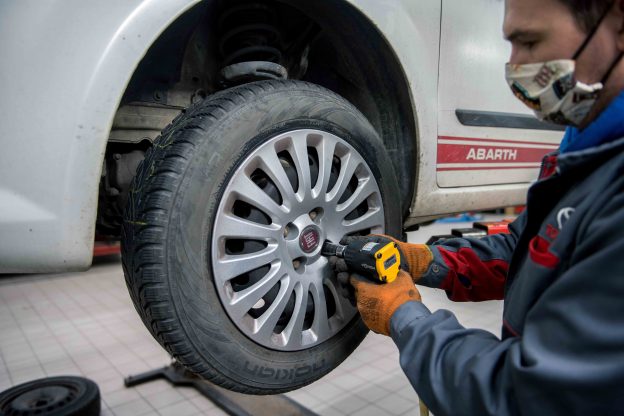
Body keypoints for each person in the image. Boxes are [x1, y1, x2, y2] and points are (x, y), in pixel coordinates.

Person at [334, 0, 624, 414]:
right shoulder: (585, 148)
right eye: (510, 44)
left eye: (530, 42)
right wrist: (425, 261)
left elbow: (520, 398)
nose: (514, 66)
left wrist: (404, 316)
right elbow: (523, 249)